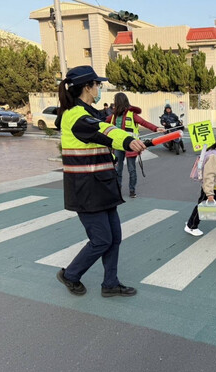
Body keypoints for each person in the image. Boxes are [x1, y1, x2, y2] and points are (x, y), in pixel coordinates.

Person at [55, 65, 146, 297]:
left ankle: (110, 284)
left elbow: (107, 121)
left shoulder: (89, 112)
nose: (100, 88)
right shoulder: (75, 116)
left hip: (102, 186)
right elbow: (104, 130)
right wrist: (127, 141)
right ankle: (70, 275)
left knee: (114, 238)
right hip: (86, 191)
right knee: (101, 240)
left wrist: (128, 114)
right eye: (98, 84)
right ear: (87, 87)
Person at [106, 92, 164, 198]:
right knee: (118, 170)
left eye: (115, 101)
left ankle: (132, 190)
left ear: (119, 102)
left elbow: (144, 123)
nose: (114, 103)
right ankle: (117, 191)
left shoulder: (132, 115)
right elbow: (101, 123)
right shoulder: (113, 116)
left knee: (131, 169)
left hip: (131, 147)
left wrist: (156, 128)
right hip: (118, 147)